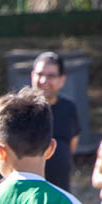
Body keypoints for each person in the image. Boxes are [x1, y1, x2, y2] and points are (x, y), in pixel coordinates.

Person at [28, 51, 81, 193]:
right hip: (28, 193)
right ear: (32, 76)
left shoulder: (69, 108)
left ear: (62, 80)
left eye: (51, 76)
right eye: (40, 74)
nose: (44, 80)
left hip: (60, 191)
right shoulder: (20, 109)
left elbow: (72, 144)